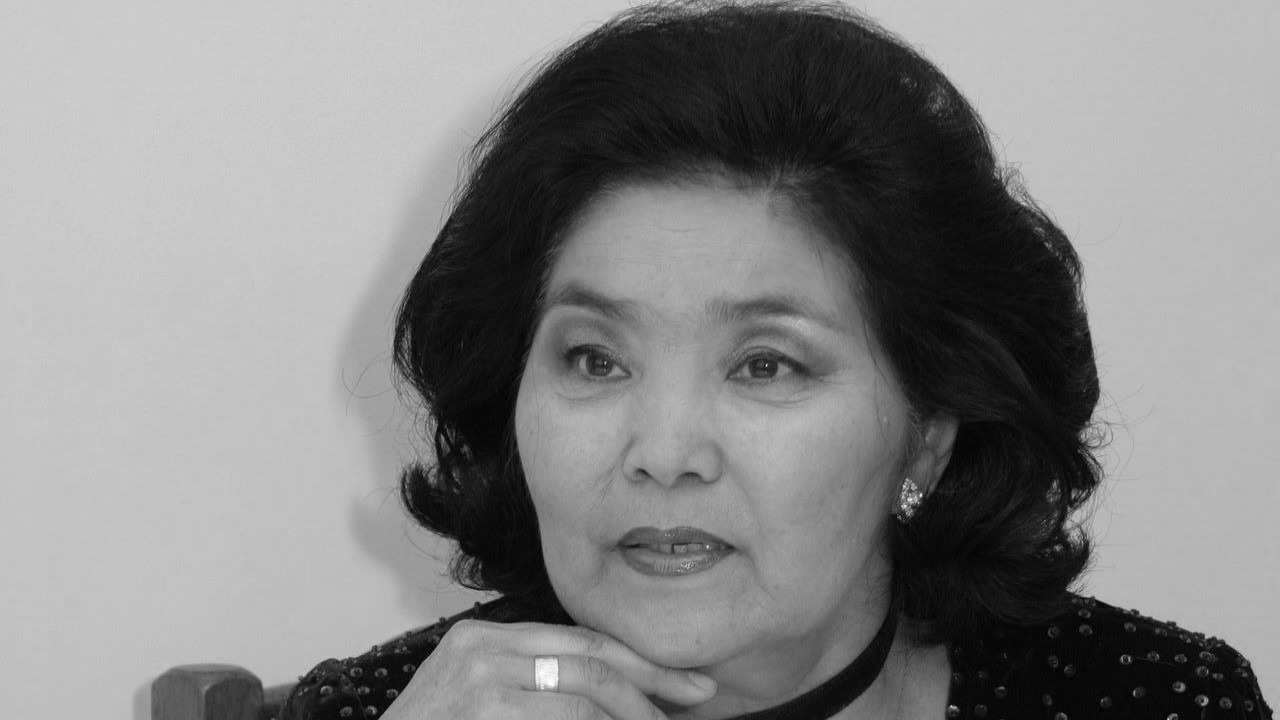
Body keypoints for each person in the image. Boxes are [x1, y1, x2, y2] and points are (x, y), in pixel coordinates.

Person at [279, 2, 1270, 718]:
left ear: (927, 433)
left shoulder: (1146, 700)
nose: (663, 453)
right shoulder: (390, 709)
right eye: (593, 359)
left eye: (764, 366)